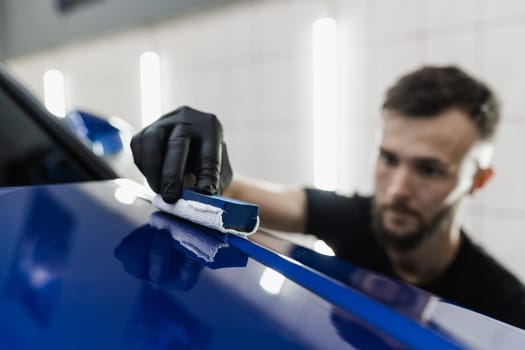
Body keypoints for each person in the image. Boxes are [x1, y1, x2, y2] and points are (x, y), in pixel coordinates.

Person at [130, 65, 525, 329]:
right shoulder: (355, 217)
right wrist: (201, 165)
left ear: (479, 179)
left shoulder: (506, 310)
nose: (398, 188)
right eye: (388, 159)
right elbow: (237, 194)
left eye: (430, 170)